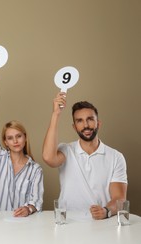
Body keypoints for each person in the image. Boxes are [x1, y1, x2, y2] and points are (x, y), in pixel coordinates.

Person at [42, 92, 128, 220]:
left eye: (90, 119)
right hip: (67, 222)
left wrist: (106, 211)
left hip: (100, 223)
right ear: (74, 127)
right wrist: (56, 114)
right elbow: (48, 157)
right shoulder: (65, 150)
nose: (86, 125)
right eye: (79, 121)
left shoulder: (116, 157)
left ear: (98, 123)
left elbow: (119, 198)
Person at [0, 76, 43, 216]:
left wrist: (28, 209)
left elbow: (37, 201)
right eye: (10, 138)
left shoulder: (35, 169)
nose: (15, 141)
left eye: (19, 136)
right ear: (5, 142)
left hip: (22, 225)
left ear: (25, 137)